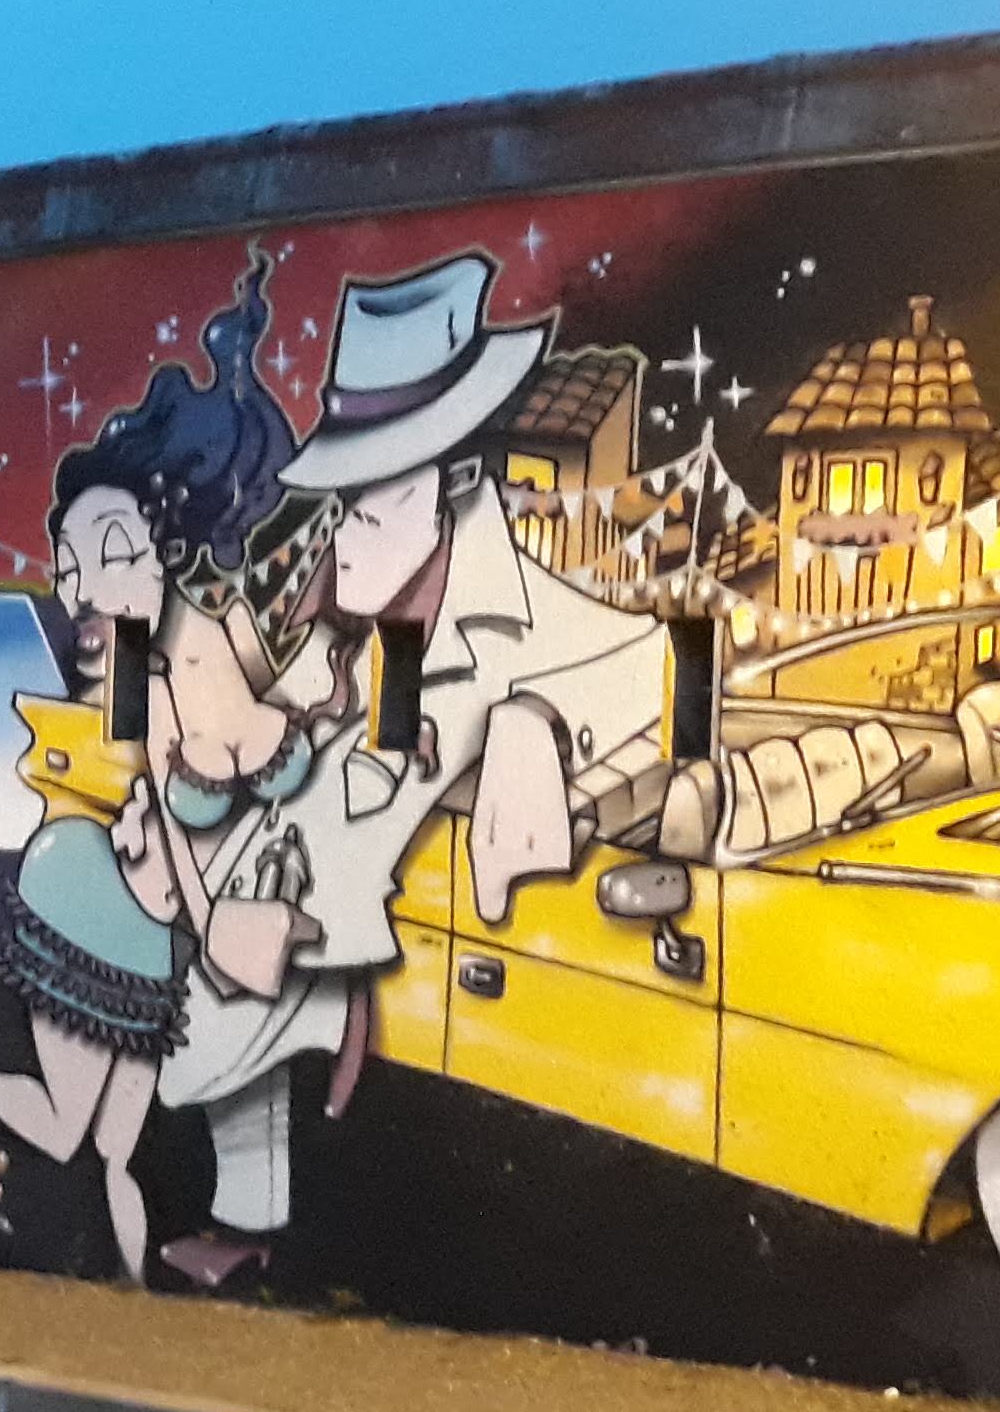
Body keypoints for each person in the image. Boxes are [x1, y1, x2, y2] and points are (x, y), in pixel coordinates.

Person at [154, 253, 672, 1274]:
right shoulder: (337, 615)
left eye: (373, 505)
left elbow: (651, 660)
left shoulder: (519, 609)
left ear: (450, 484)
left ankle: (268, 1224)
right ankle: (251, 1225)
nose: (346, 533)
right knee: (213, 1039)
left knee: (222, 1032)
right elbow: (284, 724)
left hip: (376, 923)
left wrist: (536, 728)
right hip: (280, 883)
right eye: (344, 505)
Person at [0, 257, 303, 1283]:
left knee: (112, 1149)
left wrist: (282, 731)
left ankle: (133, 1290)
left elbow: (242, 772)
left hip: (144, 939)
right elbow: (182, 804)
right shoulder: (146, 670)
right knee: (77, 1133)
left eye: (106, 554)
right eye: (72, 568)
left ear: (161, 544)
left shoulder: (200, 644)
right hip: (84, 903)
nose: (82, 591)